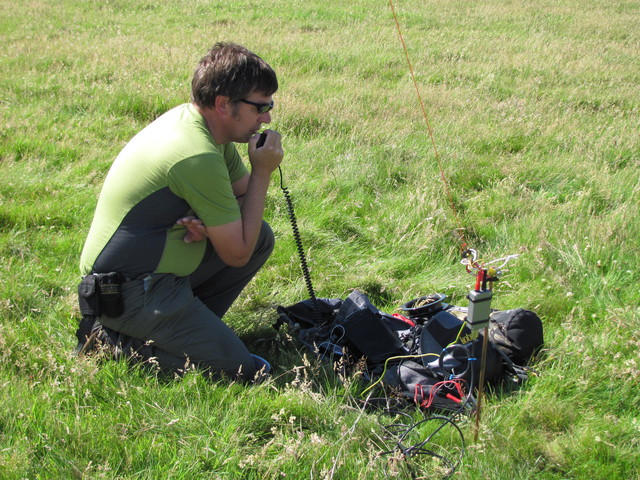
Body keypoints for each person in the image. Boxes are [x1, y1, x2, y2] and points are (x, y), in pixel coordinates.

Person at [75, 42, 283, 381]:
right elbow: (237, 253)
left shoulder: (203, 127)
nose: (268, 117)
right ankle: (110, 341)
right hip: (128, 291)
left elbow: (243, 201)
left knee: (260, 235)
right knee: (248, 371)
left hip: (154, 277)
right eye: (260, 106)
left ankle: (190, 329)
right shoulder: (197, 155)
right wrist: (263, 172)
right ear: (223, 104)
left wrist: (215, 220)